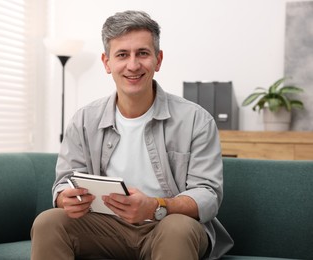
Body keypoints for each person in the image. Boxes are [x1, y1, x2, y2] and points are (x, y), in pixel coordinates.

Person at [31, 10, 233, 260]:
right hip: (105, 228)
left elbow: (207, 194)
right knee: (48, 222)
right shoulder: (84, 120)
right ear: (107, 63)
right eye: (122, 55)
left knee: (177, 229)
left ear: (158, 60)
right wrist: (65, 198)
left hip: (166, 224)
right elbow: (65, 181)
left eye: (143, 53)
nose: (133, 65)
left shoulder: (196, 120)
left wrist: (158, 206)